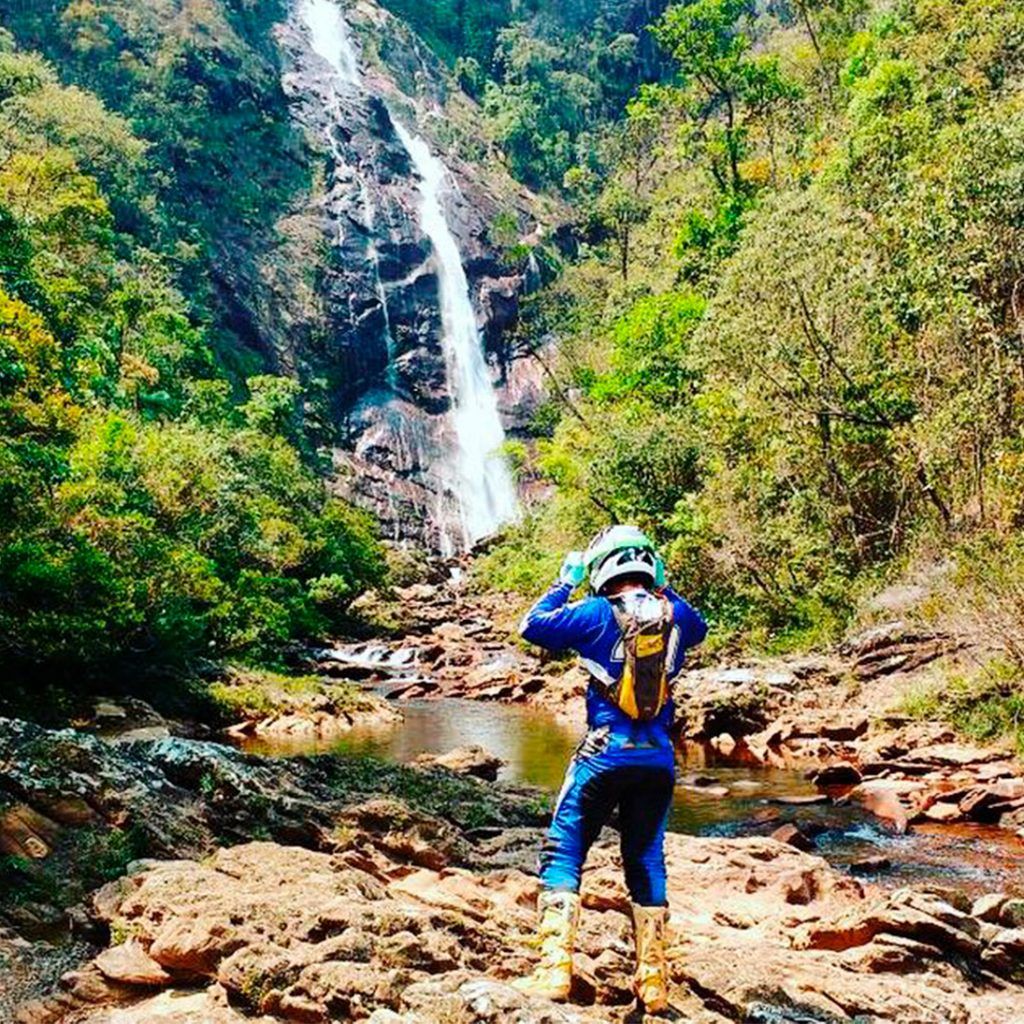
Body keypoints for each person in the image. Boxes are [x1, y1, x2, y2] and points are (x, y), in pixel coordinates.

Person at [513, 525, 707, 1013]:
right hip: (659, 757)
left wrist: (565, 579)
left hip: (604, 752)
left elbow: (532, 625)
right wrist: (663, 585)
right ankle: (654, 983)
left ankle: (554, 970)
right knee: (645, 859)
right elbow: (700, 626)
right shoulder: (676, 614)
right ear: (650, 567)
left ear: (601, 569)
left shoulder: (596, 612)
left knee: (564, 849)